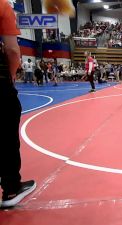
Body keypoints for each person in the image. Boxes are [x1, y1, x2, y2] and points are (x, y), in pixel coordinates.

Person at [0, 0, 36, 208]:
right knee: (5, 136)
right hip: (0, 86)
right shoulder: (3, 6)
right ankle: (11, 187)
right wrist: (11, 76)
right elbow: (12, 50)